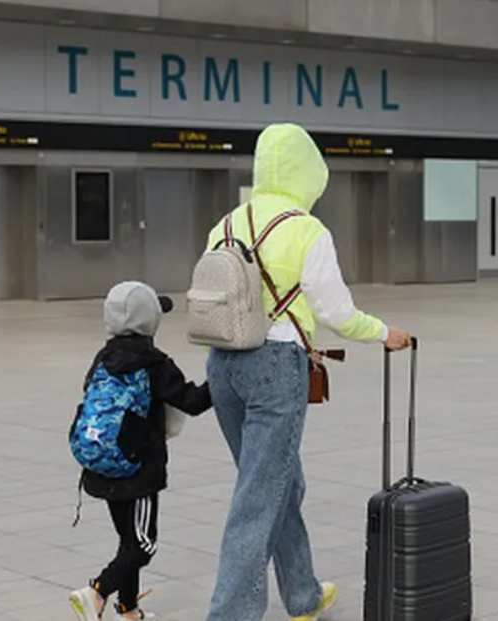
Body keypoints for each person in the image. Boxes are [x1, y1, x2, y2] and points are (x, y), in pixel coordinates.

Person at [203, 123, 412, 621]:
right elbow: (337, 313)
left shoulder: (227, 223)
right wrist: (385, 333)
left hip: (222, 365)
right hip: (276, 366)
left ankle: (303, 595)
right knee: (258, 497)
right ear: (308, 172)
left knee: (280, 484)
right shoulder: (305, 229)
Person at [69, 281, 213, 621]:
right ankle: (97, 592)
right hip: (139, 471)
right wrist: (223, 378)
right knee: (144, 545)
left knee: (127, 541)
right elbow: (191, 402)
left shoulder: (102, 359)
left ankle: (129, 610)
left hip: (102, 464)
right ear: (149, 321)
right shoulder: (155, 363)